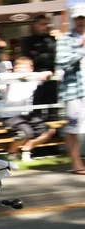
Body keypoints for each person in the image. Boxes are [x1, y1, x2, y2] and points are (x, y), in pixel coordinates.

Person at [0, 57, 55, 161]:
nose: (21, 69)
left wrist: (43, 74)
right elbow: (2, 77)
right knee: (25, 133)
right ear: (14, 68)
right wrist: (34, 74)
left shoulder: (33, 79)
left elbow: (48, 72)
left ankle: (27, 148)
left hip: (27, 114)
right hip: (10, 115)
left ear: (31, 68)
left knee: (50, 131)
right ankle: (11, 153)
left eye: (24, 67)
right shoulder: (8, 77)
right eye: (18, 67)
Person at [56, 4, 85, 174]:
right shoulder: (66, 39)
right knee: (73, 128)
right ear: (73, 19)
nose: (82, 21)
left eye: (84, 18)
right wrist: (81, 49)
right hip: (74, 90)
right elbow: (62, 63)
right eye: (79, 18)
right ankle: (76, 163)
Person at [21, 14, 57, 120]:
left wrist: (38, 55)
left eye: (46, 24)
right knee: (36, 111)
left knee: (53, 112)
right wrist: (43, 56)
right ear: (34, 25)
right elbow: (28, 60)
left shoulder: (51, 39)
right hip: (34, 79)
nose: (44, 27)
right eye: (42, 24)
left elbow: (54, 57)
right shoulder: (27, 41)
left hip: (51, 78)